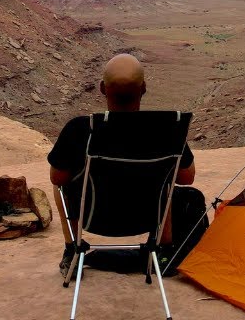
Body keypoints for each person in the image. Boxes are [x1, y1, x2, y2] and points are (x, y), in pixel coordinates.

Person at [48, 53, 202, 274]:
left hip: (95, 219)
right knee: (168, 179)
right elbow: (187, 177)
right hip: (145, 218)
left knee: (60, 183)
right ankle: (164, 250)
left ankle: (72, 249)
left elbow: (57, 178)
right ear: (144, 88)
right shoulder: (166, 130)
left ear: (102, 88)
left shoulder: (80, 128)